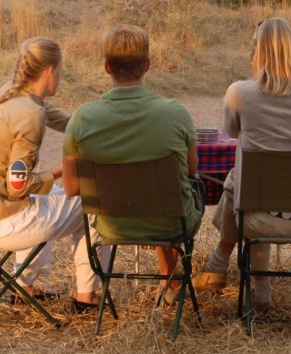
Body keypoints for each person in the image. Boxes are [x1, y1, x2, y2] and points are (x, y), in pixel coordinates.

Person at [190, 17, 291, 312]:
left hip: (260, 216)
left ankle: (231, 267)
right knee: (242, 181)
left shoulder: (240, 92)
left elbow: (231, 133)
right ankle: (236, 273)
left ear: (257, 51)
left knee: (241, 183)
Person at [0, 37, 107, 312]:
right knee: (94, 205)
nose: (60, 77)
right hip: (3, 221)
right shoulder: (29, 115)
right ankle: (87, 297)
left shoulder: (13, 94)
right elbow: (19, 187)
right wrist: (60, 172)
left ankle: (23, 287)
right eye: (61, 71)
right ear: (50, 71)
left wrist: (103, 125)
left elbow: (66, 121)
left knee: (50, 198)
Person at [62, 24, 203, 305]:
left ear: (106, 67)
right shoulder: (175, 112)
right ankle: (172, 279)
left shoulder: (81, 118)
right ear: (148, 65)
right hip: (169, 224)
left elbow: (71, 187)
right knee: (188, 188)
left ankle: (170, 279)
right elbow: (188, 171)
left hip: (113, 226)